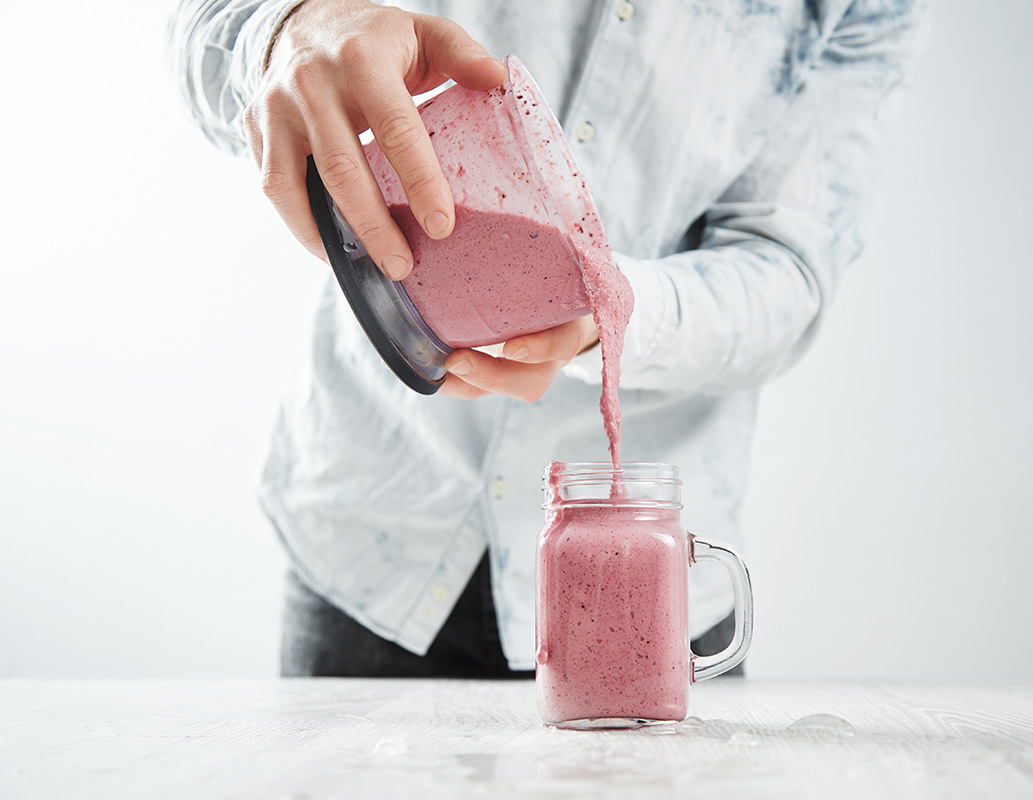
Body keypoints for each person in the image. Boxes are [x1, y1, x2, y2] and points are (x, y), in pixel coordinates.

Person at [170, 0, 928, 677]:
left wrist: (609, 308)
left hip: (654, 604)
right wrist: (283, 30)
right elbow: (207, 24)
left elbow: (788, 271)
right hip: (373, 535)